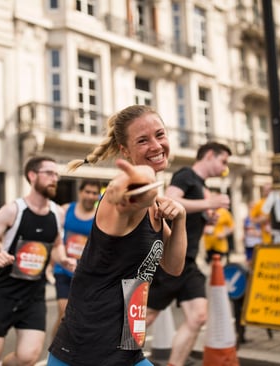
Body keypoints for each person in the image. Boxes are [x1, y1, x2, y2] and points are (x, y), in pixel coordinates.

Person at [48, 104, 187, 365]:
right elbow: (139, 183)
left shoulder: (156, 205)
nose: (156, 145)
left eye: (160, 134)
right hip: (87, 352)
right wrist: (131, 185)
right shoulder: (129, 199)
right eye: (142, 140)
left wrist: (180, 219)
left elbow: (174, 266)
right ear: (125, 151)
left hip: (125, 348)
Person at [0, 156, 76, 366]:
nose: (54, 178)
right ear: (32, 175)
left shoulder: (58, 213)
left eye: (56, 174)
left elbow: (55, 245)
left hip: (34, 295)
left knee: (28, 357)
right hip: (4, 292)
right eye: (49, 173)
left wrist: (63, 259)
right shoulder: (13, 210)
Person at [146, 141, 231, 366]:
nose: (224, 167)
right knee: (145, 317)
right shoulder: (186, 175)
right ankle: (101, 355)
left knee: (198, 316)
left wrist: (207, 215)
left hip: (189, 262)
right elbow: (169, 202)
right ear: (210, 155)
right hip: (169, 260)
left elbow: (191, 210)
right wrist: (208, 203)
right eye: (223, 161)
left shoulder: (202, 185)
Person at [51, 179, 101, 338]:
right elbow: (54, 239)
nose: (90, 196)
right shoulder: (66, 210)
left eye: (94, 193)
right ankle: (54, 351)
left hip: (86, 274)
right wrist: (54, 262)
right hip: (63, 270)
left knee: (82, 319)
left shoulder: (100, 216)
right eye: (87, 192)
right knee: (64, 313)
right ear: (80, 192)